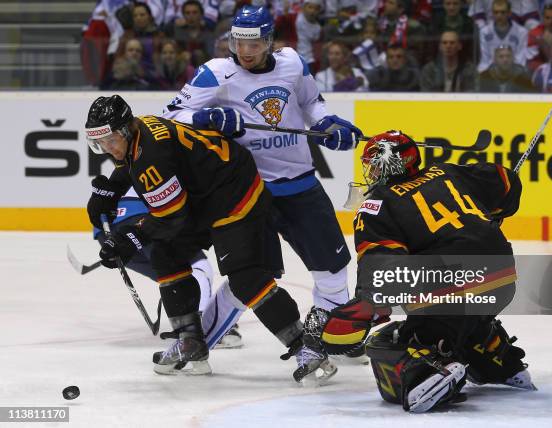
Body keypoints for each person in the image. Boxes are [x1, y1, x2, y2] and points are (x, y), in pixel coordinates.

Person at [161, 5, 364, 383]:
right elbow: (169, 117)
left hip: (301, 183)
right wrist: (206, 119)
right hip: (247, 194)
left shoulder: (292, 62)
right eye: (238, 41)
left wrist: (326, 123)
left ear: (270, 41)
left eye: (254, 43)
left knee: (333, 271)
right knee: (248, 279)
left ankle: (331, 337)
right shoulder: (216, 73)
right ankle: (196, 341)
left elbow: (309, 103)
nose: (245, 51)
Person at [84, 95, 304, 376]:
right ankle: (190, 342)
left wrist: (132, 239)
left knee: (245, 277)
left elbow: (170, 218)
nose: (107, 148)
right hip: (205, 196)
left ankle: (305, 346)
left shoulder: (151, 155)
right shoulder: (140, 132)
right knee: (166, 253)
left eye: (111, 140)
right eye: (100, 142)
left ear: (126, 129)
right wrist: (110, 191)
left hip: (234, 193)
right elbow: (131, 166)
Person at [318, 130, 535, 412]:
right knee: (468, 317)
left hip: (452, 287)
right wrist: (493, 214)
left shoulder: (376, 204)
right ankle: (499, 361)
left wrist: (368, 303)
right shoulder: (448, 172)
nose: (370, 171)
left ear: (387, 165)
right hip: (503, 277)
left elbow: (382, 265)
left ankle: (433, 368)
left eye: (372, 164)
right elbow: (507, 181)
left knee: (411, 336)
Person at [90, 186, 242, 349]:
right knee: (198, 267)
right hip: (142, 218)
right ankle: (202, 329)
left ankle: (192, 324)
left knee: (176, 276)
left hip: (106, 232)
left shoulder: (127, 172)